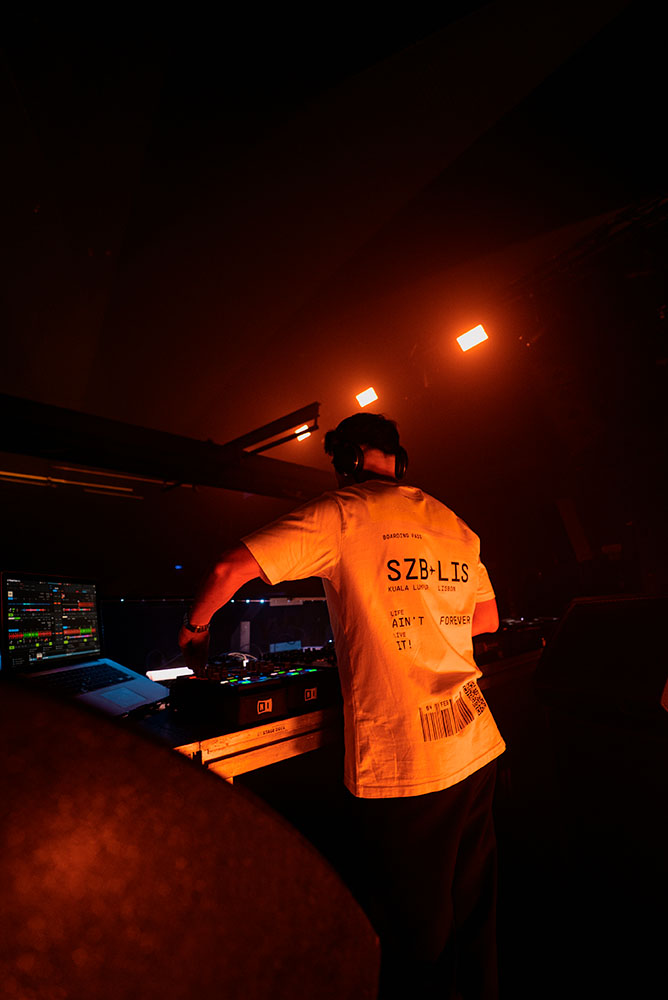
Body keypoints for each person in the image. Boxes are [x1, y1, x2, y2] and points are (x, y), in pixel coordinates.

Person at [178, 412, 505, 999]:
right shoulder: (453, 522)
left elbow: (229, 569)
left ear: (347, 461)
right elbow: (487, 620)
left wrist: (195, 629)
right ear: (399, 460)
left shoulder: (344, 511)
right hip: (475, 741)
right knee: (473, 922)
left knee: (411, 938)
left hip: (409, 763)